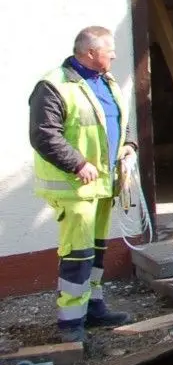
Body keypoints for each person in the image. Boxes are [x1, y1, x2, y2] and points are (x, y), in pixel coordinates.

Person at [29, 26, 136, 341]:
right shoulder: (54, 86)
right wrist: (77, 163)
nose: (115, 55)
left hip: (103, 186)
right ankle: (70, 324)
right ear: (90, 52)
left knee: (96, 251)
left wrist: (130, 144)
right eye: (109, 50)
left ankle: (93, 307)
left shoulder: (106, 81)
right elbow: (44, 134)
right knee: (77, 254)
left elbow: (118, 117)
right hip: (75, 189)